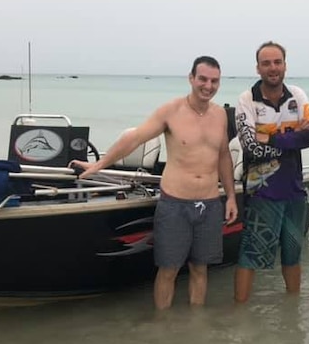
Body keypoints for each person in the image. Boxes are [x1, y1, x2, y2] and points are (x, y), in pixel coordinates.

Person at [70, 56, 238, 310]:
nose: (208, 86)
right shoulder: (171, 111)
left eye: (214, 81)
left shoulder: (221, 116)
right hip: (175, 204)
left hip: (209, 204)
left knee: (200, 269)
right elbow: (135, 138)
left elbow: (224, 155)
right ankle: (162, 328)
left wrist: (232, 196)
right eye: (203, 79)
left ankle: (196, 327)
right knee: (168, 270)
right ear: (191, 78)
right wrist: (98, 165)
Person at [233, 41, 309, 303]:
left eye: (277, 62)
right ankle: (240, 318)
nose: (273, 68)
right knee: (250, 256)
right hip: (262, 191)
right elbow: (250, 146)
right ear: (257, 68)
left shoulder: (297, 95)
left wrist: (269, 138)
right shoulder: (246, 99)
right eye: (266, 63)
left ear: (285, 65)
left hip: (294, 189)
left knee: (293, 255)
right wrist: (294, 136)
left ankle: (292, 316)